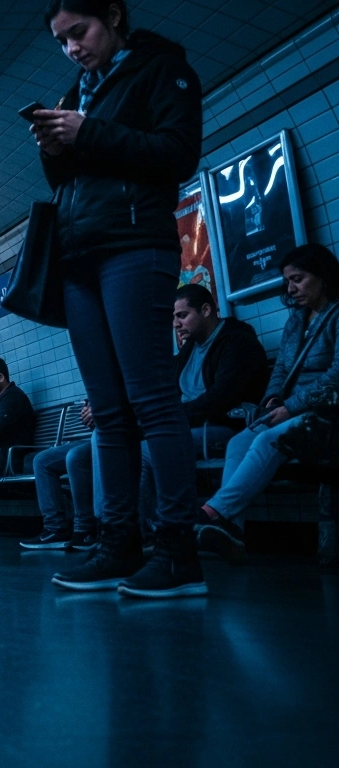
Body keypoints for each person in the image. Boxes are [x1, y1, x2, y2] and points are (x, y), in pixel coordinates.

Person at [32, 0, 206, 598]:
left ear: (112, 14)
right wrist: (56, 152)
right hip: (80, 256)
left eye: (78, 32)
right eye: (61, 40)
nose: (72, 48)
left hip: (135, 245)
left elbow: (178, 154)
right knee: (108, 410)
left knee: (152, 398)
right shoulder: (78, 90)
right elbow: (75, 180)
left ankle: (179, 549)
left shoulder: (162, 69)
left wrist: (89, 132)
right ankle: (119, 541)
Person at [197, 245, 339, 562]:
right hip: (288, 409)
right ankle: (232, 532)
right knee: (237, 442)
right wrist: (272, 398)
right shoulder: (296, 321)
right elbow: (281, 369)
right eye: (288, 281)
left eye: (298, 279)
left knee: (267, 440)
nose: (291, 289)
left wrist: (291, 407)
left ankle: (210, 513)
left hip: (326, 413)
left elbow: (336, 376)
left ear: (322, 276)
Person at [135, 284, 268, 536]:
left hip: (221, 427)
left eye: (182, 315)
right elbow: (164, 385)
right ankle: (149, 527)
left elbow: (220, 399)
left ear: (206, 310)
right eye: (173, 317)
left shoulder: (236, 342)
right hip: (190, 425)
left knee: (144, 452)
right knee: (136, 445)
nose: (175, 324)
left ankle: (154, 532)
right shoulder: (189, 348)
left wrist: (169, 419)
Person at [21, 403, 97, 550]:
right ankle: (55, 529)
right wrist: (89, 410)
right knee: (42, 460)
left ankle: (85, 527)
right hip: (99, 433)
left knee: (75, 457)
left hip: (119, 432)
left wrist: (102, 410)